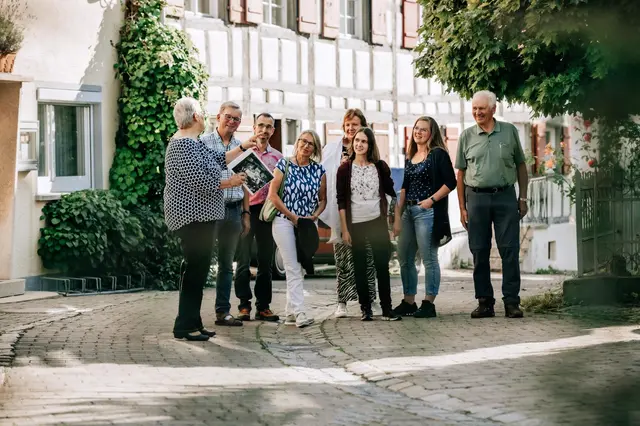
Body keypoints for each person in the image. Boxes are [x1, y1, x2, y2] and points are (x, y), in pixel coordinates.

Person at [163, 97, 254, 341]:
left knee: (197, 271)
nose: (204, 116)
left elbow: (218, 159)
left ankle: (193, 321)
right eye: (202, 113)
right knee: (195, 272)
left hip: (199, 219)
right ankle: (185, 326)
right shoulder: (182, 145)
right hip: (191, 218)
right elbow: (201, 182)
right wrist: (231, 182)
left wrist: (243, 147)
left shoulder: (193, 143)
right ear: (194, 117)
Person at [455, 90, 529, 319]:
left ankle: (512, 302)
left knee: (509, 249)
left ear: (493, 109)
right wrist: (462, 208)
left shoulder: (509, 131)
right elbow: (460, 174)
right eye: (474, 108)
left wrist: (523, 197)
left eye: (482, 109)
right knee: (479, 250)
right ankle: (485, 302)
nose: (477, 112)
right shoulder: (466, 136)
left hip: (505, 196)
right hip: (476, 198)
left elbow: (521, 166)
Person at [392, 117, 456, 318]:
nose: (418, 132)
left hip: (427, 211)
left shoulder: (438, 154)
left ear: (431, 133)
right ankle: (408, 301)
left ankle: (428, 303)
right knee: (404, 256)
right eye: (416, 128)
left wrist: (431, 200)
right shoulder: (411, 155)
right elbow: (404, 188)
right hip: (408, 212)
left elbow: (451, 182)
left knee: (428, 258)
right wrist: (397, 215)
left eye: (423, 129)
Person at [336, 127, 401, 321]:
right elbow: (341, 201)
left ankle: (387, 309)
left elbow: (392, 194)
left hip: (376, 222)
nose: (359, 144)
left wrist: (395, 221)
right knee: (360, 266)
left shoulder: (379, 166)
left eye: (364, 141)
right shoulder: (345, 169)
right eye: (357, 140)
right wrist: (345, 229)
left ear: (370, 144)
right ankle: (366, 309)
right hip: (355, 224)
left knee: (382, 265)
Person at [320, 109, 377, 318]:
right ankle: (342, 302)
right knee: (342, 257)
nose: (351, 128)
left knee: (368, 256)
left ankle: (370, 299)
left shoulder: (368, 148)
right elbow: (324, 175)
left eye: (355, 124)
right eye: (348, 124)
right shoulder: (333, 149)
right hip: (341, 210)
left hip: (365, 212)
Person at [201, 101, 254, 327]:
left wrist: (246, 213)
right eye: (228, 117)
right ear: (218, 116)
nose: (232, 122)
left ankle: (222, 312)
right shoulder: (203, 142)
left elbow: (246, 184)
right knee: (200, 262)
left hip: (233, 210)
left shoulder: (241, 145)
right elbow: (202, 179)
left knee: (226, 265)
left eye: (236, 119)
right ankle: (192, 313)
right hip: (208, 209)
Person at [268, 130, 327, 328]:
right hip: (284, 220)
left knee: (299, 267)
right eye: (303, 141)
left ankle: (290, 312)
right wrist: (293, 217)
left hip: (307, 225)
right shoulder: (283, 164)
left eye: (311, 143)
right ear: (297, 143)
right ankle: (300, 312)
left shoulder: (319, 170)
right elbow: (273, 195)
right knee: (292, 266)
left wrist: (315, 215)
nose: (306, 145)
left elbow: (323, 199)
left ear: (315, 149)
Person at [234, 113, 283, 322]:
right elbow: (239, 184)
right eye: (260, 126)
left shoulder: (278, 158)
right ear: (254, 128)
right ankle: (244, 305)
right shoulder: (244, 152)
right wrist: (244, 213)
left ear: (273, 131)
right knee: (243, 261)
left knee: (266, 261)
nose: (264, 130)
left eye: (268, 127)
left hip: (267, 211)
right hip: (246, 210)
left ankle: (263, 306)